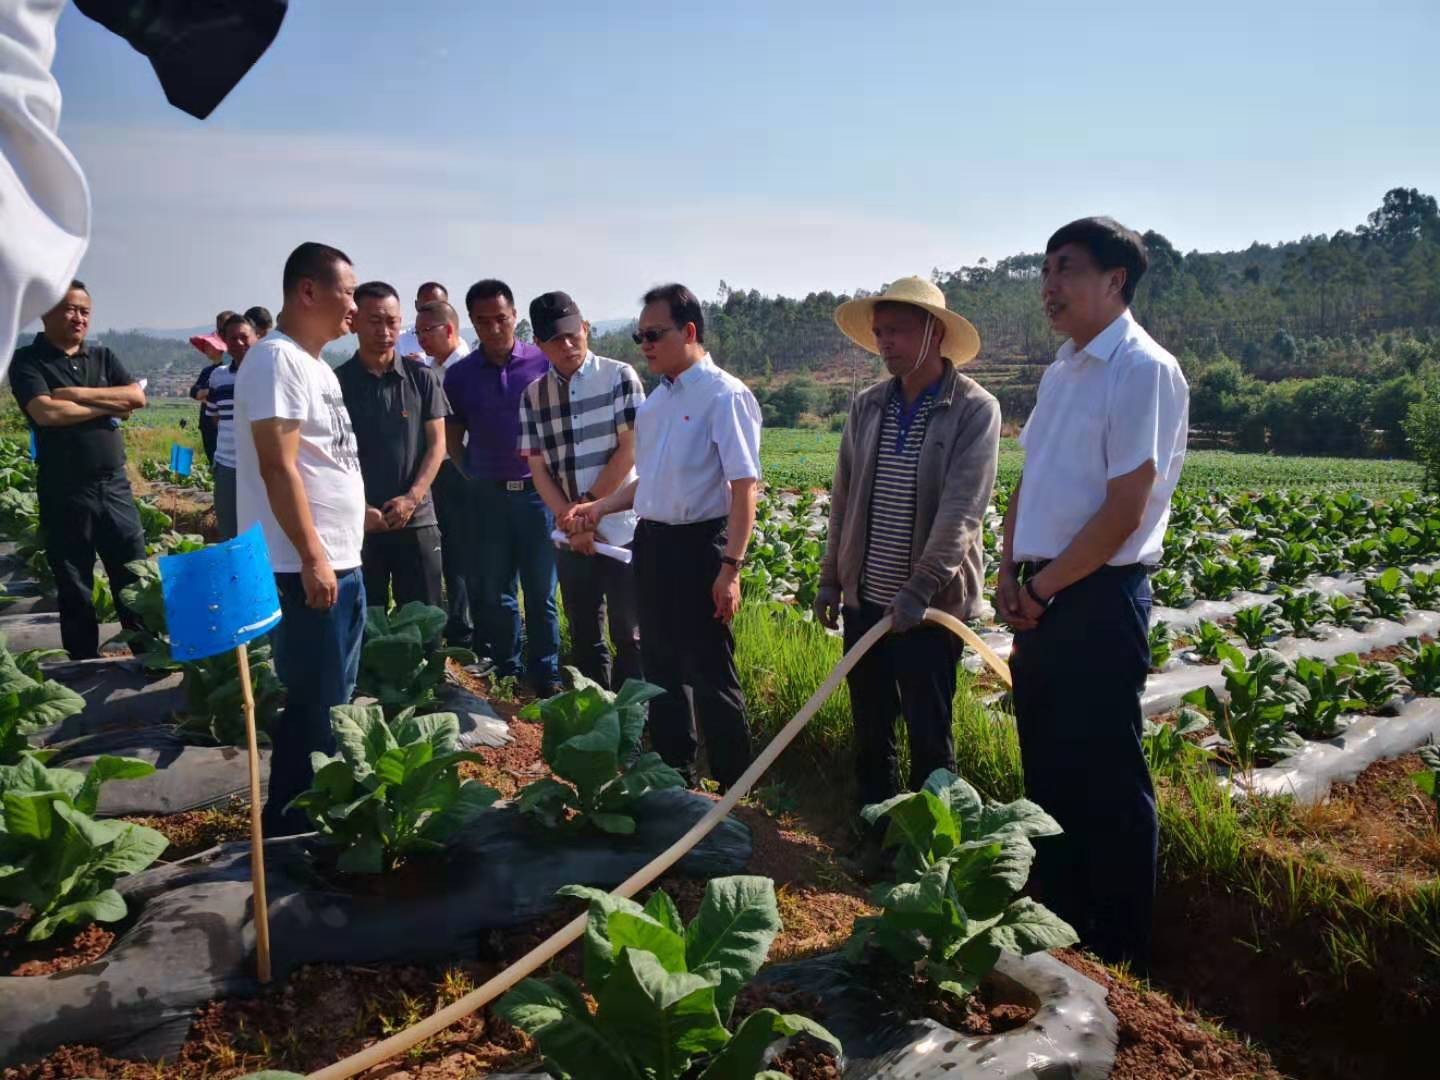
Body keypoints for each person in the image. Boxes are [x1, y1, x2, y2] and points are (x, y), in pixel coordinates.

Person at [997, 217, 1189, 969]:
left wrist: (1042, 586)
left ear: (1116, 280)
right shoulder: (1062, 370)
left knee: (1107, 778)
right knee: (1048, 770)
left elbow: (1125, 508)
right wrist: (1010, 572)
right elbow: (1032, 483)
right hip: (1043, 593)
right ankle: (1061, 930)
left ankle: (1120, 953)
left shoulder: (1142, 369)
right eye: (1045, 269)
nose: (1049, 285)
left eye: (1066, 268)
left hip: (1099, 598)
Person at [816, 277, 1000, 828]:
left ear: (934, 333)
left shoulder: (974, 409)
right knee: (871, 731)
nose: (885, 342)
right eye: (879, 332)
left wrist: (920, 588)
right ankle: (877, 833)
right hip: (866, 602)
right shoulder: (868, 406)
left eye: (896, 330)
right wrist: (831, 579)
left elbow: (962, 511)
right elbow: (844, 498)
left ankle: (931, 851)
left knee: (929, 736)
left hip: (929, 609)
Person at [574, 284, 761, 789]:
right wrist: (600, 506)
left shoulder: (724, 395)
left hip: (701, 547)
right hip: (652, 544)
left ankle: (735, 788)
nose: (645, 346)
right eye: (640, 337)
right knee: (658, 663)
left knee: (709, 668)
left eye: (654, 335)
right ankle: (675, 775)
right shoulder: (655, 404)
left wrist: (731, 568)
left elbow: (744, 488)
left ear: (690, 331)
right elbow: (650, 485)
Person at [234, 241, 366, 836]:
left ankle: (315, 819)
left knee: (333, 700)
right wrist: (314, 556)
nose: (354, 308)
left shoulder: (315, 366)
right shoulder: (275, 361)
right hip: (304, 566)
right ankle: (290, 830)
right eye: (347, 293)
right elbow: (277, 466)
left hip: (339, 560)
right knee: (314, 706)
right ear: (308, 291)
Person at [8, 280, 148, 659]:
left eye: (85, 311)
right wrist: (111, 405)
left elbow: (136, 397)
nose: (79, 318)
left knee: (134, 573)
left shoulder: (102, 356)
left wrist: (77, 395)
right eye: (70, 309)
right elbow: (47, 413)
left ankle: (147, 655)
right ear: (46, 312)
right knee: (74, 582)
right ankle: (84, 663)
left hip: (114, 485)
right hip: (64, 488)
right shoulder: (28, 360)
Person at [520, 291, 645, 689]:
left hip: (623, 530)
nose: (567, 345)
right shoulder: (533, 395)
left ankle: (635, 719)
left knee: (631, 634)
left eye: (572, 334)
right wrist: (571, 519)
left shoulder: (619, 376)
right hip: (569, 534)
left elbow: (630, 449)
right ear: (539, 344)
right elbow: (538, 468)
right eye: (555, 339)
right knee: (585, 632)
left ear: (586, 328)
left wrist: (589, 509)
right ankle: (596, 715)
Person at [443, 279, 558, 694]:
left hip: (538, 496)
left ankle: (546, 674)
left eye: (501, 318)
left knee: (541, 592)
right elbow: (453, 436)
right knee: (497, 591)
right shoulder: (459, 376)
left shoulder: (542, 363)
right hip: (488, 497)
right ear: (472, 322)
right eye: (483, 321)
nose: (494, 328)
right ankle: (509, 670)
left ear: (514, 317)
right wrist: (471, 473)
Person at [337, 282, 450, 610]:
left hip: (417, 519)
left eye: (392, 322)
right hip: (359, 524)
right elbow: (328, 456)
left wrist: (412, 499)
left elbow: (438, 444)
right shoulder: (336, 383)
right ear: (354, 322)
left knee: (423, 620)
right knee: (363, 622)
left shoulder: (421, 377)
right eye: (374, 321)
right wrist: (359, 509)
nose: (384, 332)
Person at [416, 298, 483, 648]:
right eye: (418, 332)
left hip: (467, 470)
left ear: (450, 329)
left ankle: (477, 632)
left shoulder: (470, 369)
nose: (421, 339)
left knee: (471, 553)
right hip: (441, 470)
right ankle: (459, 628)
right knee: (451, 553)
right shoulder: (430, 369)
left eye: (427, 331)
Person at [211, 312, 258, 539]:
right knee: (229, 531)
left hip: (260, 466)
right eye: (232, 338)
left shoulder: (267, 372)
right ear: (224, 341)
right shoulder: (218, 376)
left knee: (260, 531)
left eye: (244, 337)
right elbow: (215, 416)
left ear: (256, 337)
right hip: (227, 465)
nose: (239, 343)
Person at [187, 311, 234, 465]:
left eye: (209, 345)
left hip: (223, 425)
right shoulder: (207, 371)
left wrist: (207, 393)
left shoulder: (229, 369)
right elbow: (193, 391)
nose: (206, 348)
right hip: (207, 423)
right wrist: (203, 392)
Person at [396, 282, 448, 362]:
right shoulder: (399, 340)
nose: (432, 312)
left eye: (438, 307)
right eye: (427, 306)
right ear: (416, 305)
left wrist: (422, 360)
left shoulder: (456, 344)